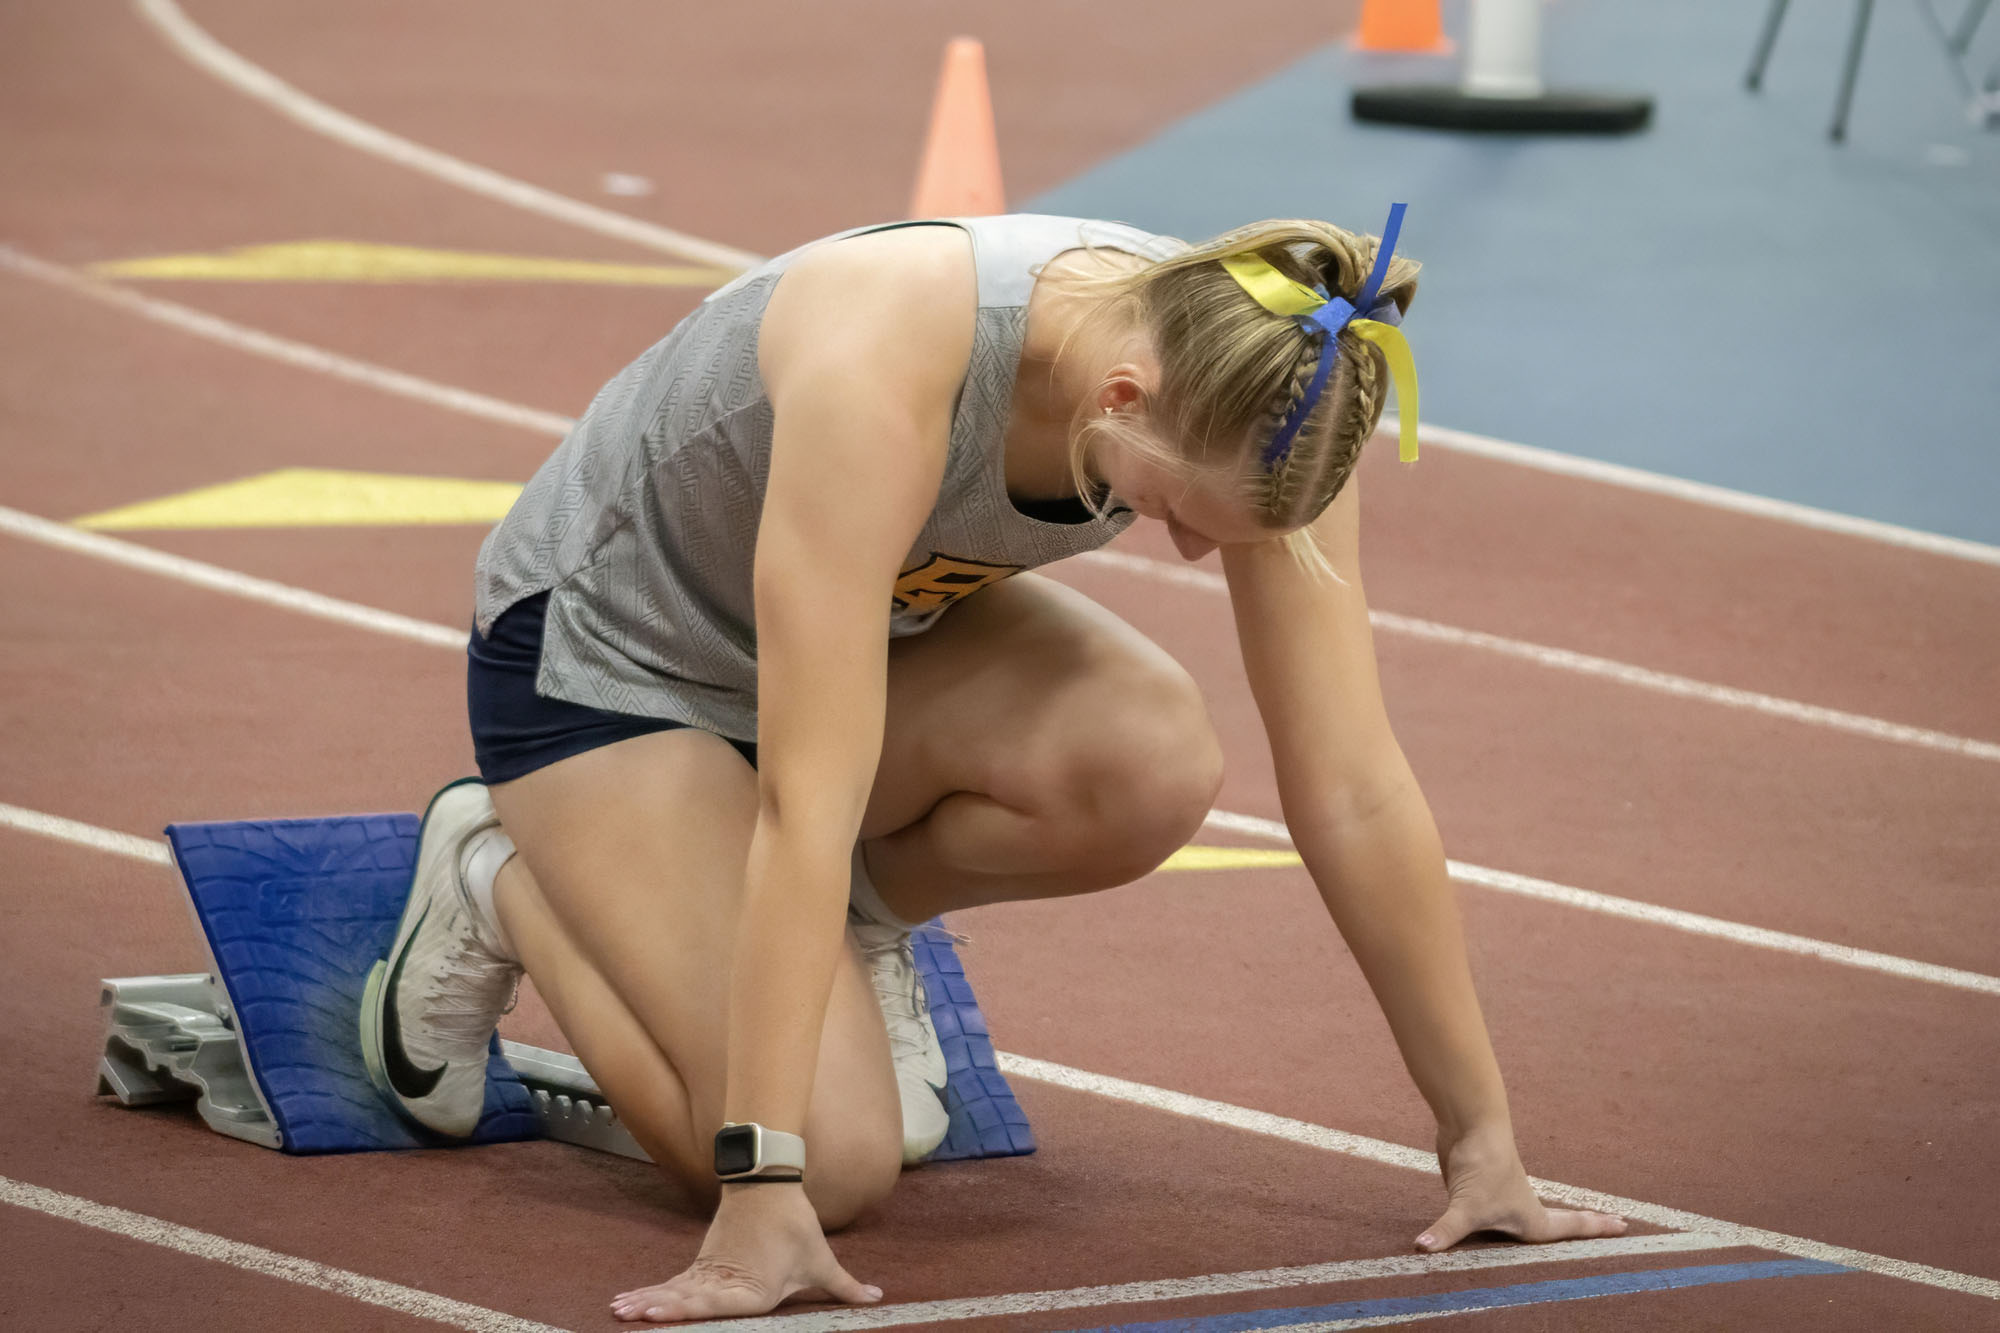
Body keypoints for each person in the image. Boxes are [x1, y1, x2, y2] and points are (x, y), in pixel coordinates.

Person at [356, 206, 1626, 1325]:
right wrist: (760, 1184)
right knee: (839, 1166)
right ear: (1118, 398)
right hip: (609, 668)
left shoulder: (1289, 384)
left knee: (1145, 760)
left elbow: (1349, 782)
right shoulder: (889, 356)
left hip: (866, 643)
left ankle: (837, 928)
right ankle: (498, 873)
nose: (1187, 550)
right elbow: (809, 793)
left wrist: (1480, 1141)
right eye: (1177, 512)